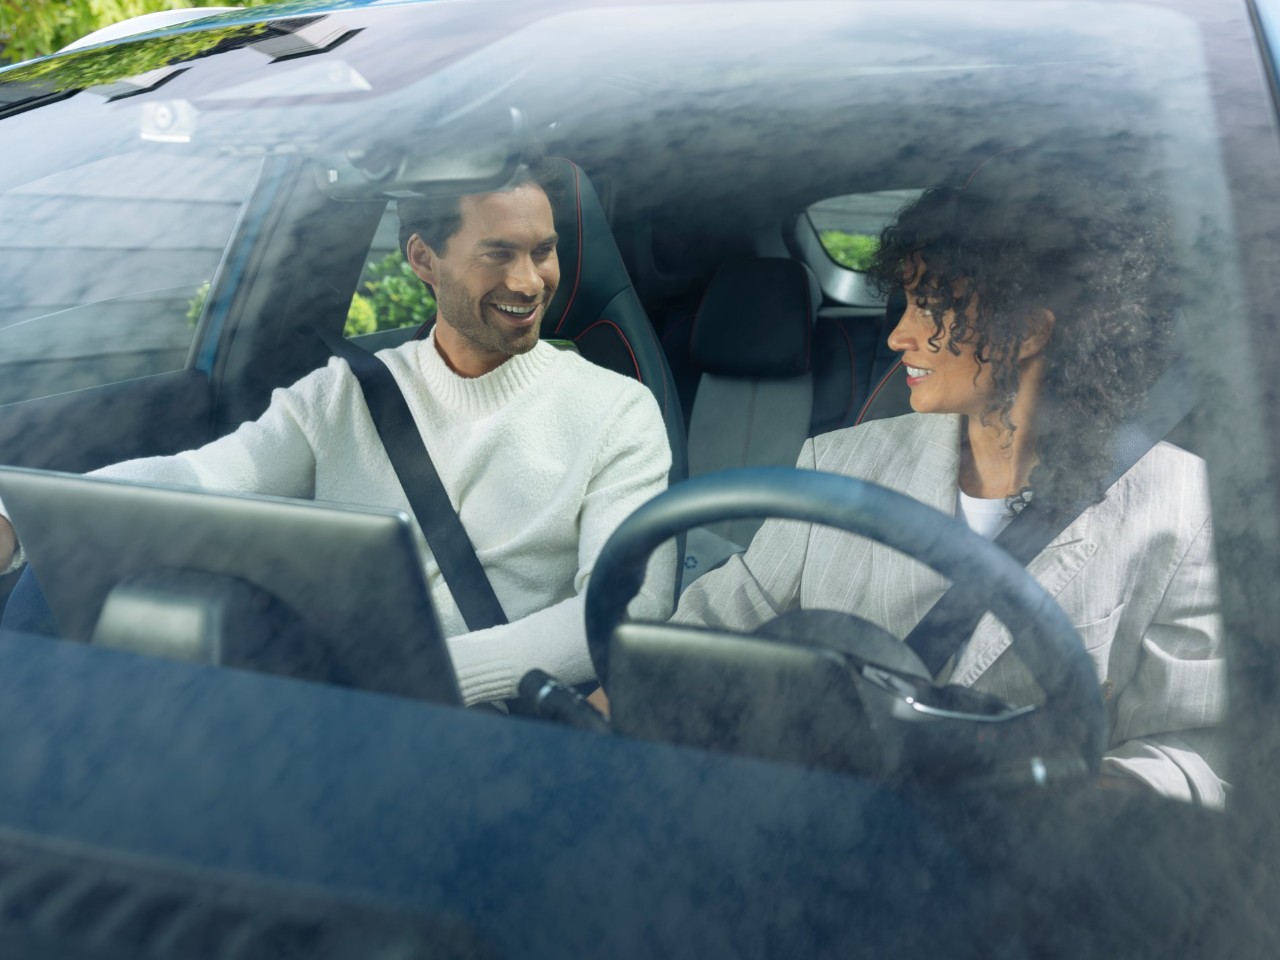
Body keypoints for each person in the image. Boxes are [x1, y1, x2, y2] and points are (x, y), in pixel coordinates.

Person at [0, 161, 676, 706]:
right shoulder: (342, 394)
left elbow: (624, 608)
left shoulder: (617, 409)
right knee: (51, 587)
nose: (529, 281)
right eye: (498, 254)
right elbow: (203, 477)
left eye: (543, 251)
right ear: (423, 258)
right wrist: (17, 520)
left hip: (484, 720)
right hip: (325, 705)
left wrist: (428, 675)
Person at [671, 153, 1227, 807]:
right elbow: (703, 636)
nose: (898, 335)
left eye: (930, 307)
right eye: (906, 302)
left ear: (1027, 330)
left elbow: (1193, 752)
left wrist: (1052, 793)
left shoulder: (1183, 507)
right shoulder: (835, 465)